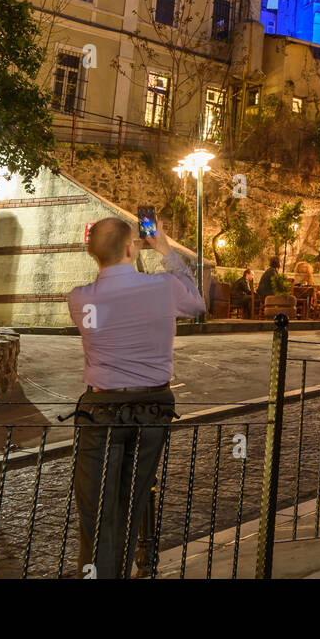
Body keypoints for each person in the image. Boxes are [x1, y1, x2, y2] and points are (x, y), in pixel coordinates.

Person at [67, 217, 204, 578]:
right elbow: (197, 306)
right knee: (132, 503)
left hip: (101, 411)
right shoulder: (162, 288)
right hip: (153, 409)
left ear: (90, 252)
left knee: (96, 511)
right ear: (132, 248)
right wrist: (164, 249)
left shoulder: (80, 298)